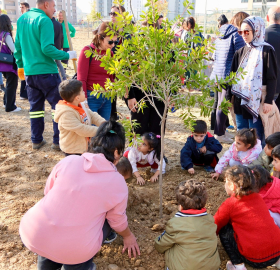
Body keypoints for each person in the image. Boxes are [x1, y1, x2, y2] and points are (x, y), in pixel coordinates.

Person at [19, 120, 141, 270]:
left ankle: (47, 265)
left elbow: (48, 193)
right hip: (75, 249)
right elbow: (117, 220)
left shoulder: (68, 161)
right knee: (108, 218)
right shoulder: (118, 183)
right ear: (117, 152)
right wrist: (128, 236)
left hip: (34, 233)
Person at [14, 0, 77, 150]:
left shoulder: (22, 19)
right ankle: (57, 141)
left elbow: (17, 47)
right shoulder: (44, 20)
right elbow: (47, 48)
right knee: (58, 107)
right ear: (46, 4)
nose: (55, 10)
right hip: (47, 72)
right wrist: (67, 55)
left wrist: (20, 66)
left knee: (35, 109)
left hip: (30, 73)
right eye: (54, 6)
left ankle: (36, 140)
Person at [214, 165, 280, 270]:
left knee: (224, 229)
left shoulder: (230, 203)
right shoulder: (258, 197)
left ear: (231, 186)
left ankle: (238, 265)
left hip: (256, 259)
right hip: (278, 250)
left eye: (225, 181)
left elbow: (216, 224)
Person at [228, 16, 277, 145]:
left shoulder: (266, 51)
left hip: (257, 100)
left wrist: (268, 101)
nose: (243, 35)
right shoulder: (240, 52)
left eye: (247, 31)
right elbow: (232, 77)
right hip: (240, 100)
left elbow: (272, 77)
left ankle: (256, 163)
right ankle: (243, 162)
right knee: (241, 134)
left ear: (257, 30)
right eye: (241, 32)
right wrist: (228, 98)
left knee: (256, 135)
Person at [155, 180, 221, 270]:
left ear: (180, 206)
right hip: (213, 268)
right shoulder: (210, 220)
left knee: (170, 247)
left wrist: (157, 241)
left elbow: (160, 245)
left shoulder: (175, 224)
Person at [210, 14, 245, 143]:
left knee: (220, 103)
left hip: (217, 74)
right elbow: (242, 55)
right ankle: (219, 134)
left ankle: (222, 131)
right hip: (228, 75)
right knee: (223, 104)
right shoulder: (236, 35)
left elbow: (214, 55)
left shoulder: (220, 34)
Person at [54, 79, 105, 156]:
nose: (84, 92)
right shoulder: (66, 114)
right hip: (73, 150)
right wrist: (102, 130)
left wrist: (104, 123)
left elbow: (91, 115)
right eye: (82, 91)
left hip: (84, 146)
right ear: (77, 98)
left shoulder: (80, 104)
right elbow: (82, 129)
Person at [77, 22, 116, 121]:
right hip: (91, 98)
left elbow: (111, 77)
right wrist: (84, 100)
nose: (113, 45)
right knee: (92, 132)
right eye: (110, 42)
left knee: (103, 132)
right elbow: (81, 79)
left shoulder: (110, 53)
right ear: (100, 37)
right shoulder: (87, 51)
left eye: (115, 41)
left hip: (106, 98)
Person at [0, 15, 20, 112]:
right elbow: (14, 50)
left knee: (8, 84)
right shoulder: (6, 35)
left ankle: (6, 103)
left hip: (2, 64)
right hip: (9, 64)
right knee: (12, 85)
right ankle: (10, 107)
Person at [18, 2, 30, 100]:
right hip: (23, 49)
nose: (21, 9)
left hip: (29, 48)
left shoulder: (29, 19)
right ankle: (23, 93)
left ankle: (26, 92)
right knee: (23, 70)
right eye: (20, 7)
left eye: (22, 7)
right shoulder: (20, 19)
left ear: (27, 8)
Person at [51, 15, 67, 80]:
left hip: (51, 47)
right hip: (58, 47)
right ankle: (64, 77)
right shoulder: (59, 24)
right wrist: (61, 47)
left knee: (52, 63)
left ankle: (55, 77)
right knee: (59, 63)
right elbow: (62, 36)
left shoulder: (48, 24)